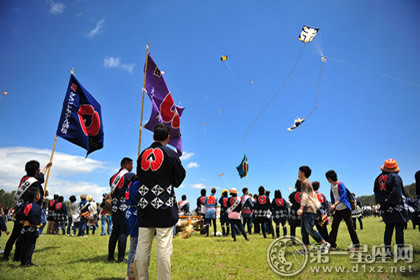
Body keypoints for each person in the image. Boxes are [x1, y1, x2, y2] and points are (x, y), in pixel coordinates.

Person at [132, 124, 186, 280]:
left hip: (144, 205)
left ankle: (141, 278)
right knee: (163, 247)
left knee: (142, 247)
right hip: (164, 206)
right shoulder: (171, 154)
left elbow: (140, 176)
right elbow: (180, 177)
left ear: (153, 136)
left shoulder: (142, 154)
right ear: (168, 138)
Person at [2, 160, 51, 261]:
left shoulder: (24, 179)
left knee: (15, 234)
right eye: (38, 168)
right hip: (28, 212)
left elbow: (40, 177)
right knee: (25, 236)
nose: (39, 170)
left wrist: (46, 167)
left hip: (19, 210)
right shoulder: (34, 183)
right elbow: (36, 195)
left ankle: (7, 254)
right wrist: (42, 198)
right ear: (36, 171)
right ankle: (20, 257)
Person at [374, 159, 408, 257]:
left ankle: (387, 252)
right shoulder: (396, 177)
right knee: (399, 230)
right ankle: (401, 252)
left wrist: (383, 203)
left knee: (388, 229)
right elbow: (397, 193)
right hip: (396, 207)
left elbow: (376, 192)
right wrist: (391, 202)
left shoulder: (378, 178)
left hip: (385, 208)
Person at [297, 166, 330, 254]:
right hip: (307, 210)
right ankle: (305, 249)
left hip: (309, 209)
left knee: (309, 229)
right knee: (304, 231)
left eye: (299, 171)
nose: (298, 173)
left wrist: (301, 208)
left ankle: (325, 243)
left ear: (303, 173)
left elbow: (305, 196)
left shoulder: (305, 183)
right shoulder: (307, 183)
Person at [108, 157, 135, 262]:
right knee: (123, 232)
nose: (132, 167)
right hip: (125, 207)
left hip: (114, 208)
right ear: (126, 165)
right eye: (131, 164)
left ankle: (110, 256)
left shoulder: (112, 178)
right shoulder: (130, 176)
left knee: (115, 231)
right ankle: (120, 257)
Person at [326, 170, 360, 251]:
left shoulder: (340, 184)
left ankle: (356, 245)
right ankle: (332, 245)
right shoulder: (332, 185)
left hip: (345, 209)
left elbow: (343, 195)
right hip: (337, 210)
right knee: (334, 227)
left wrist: (335, 204)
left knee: (350, 227)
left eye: (327, 178)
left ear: (330, 178)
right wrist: (334, 207)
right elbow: (333, 197)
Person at [15, 187, 41, 267]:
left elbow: (18, 214)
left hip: (24, 229)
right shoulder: (36, 206)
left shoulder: (25, 205)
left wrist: (22, 220)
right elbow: (35, 219)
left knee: (24, 245)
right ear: (37, 196)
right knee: (30, 246)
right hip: (32, 229)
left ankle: (23, 261)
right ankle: (27, 262)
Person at [125, 178, 140, 279]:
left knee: (134, 245)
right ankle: (130, 274)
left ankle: (132, 273)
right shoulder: (137, 184)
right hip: (134, 213)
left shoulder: (131, 183)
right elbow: (136, 197)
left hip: (130, 211)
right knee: (134, 246)